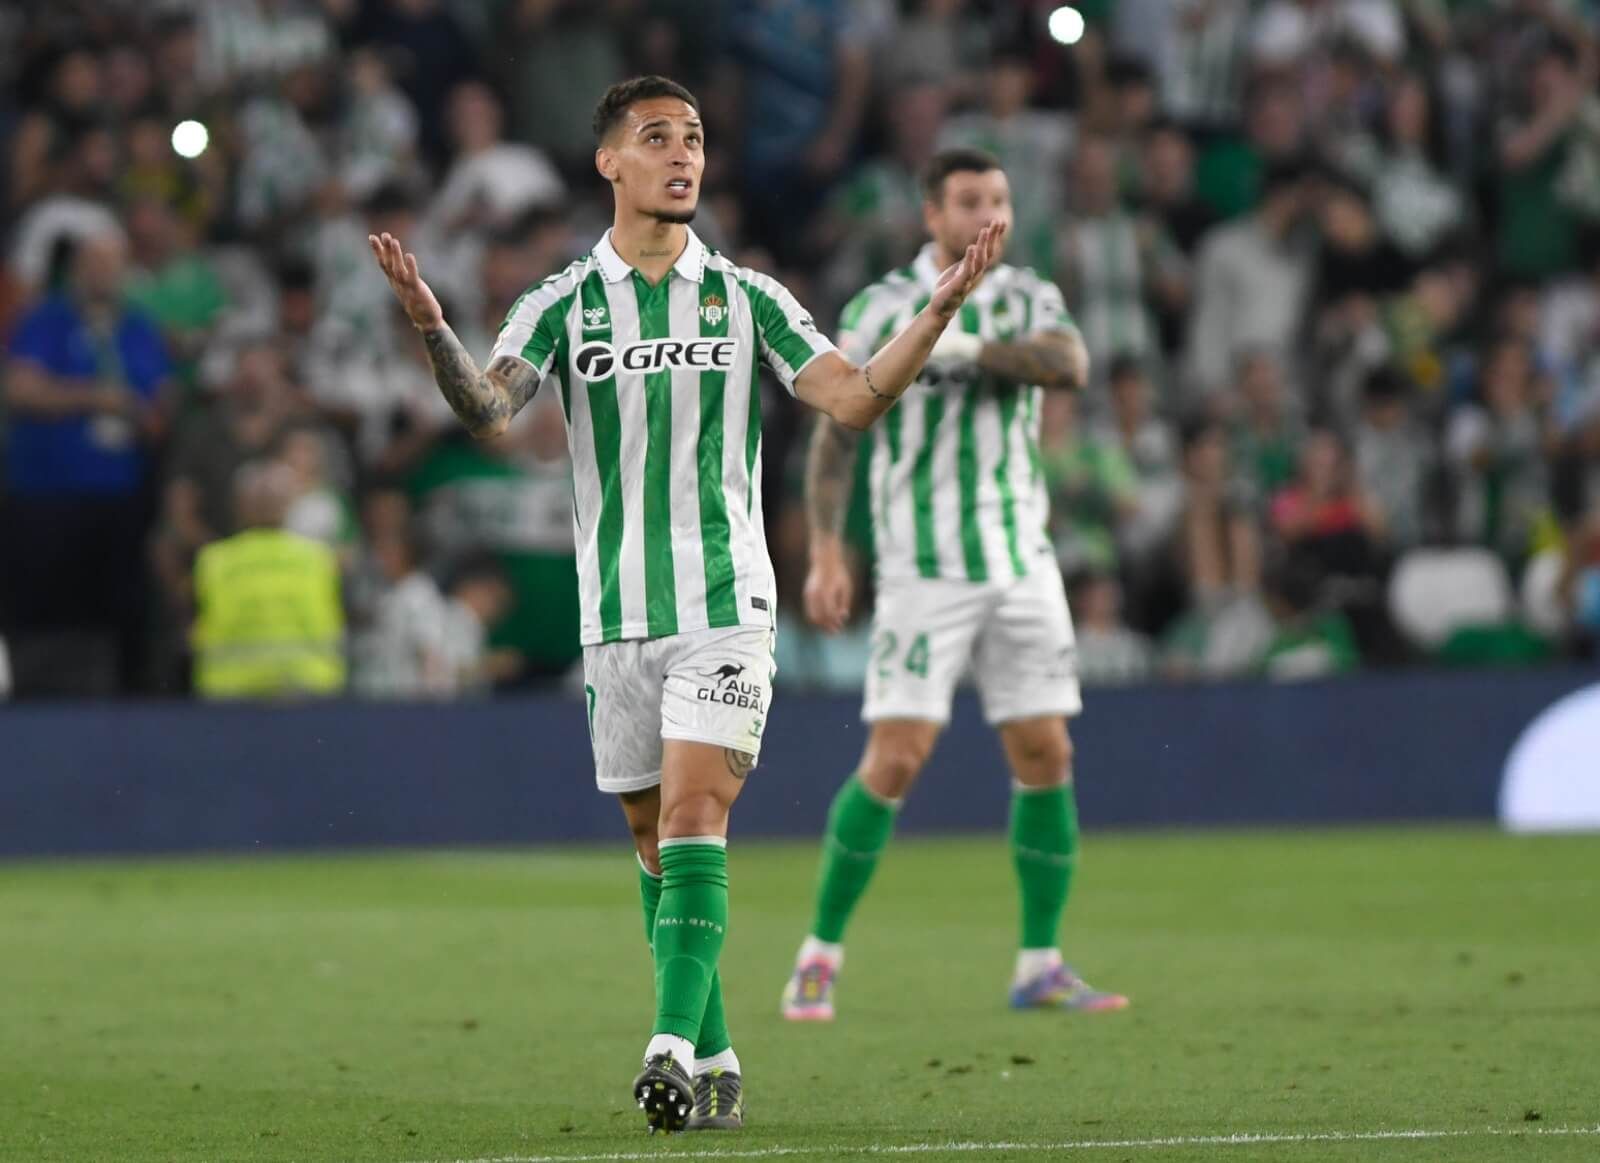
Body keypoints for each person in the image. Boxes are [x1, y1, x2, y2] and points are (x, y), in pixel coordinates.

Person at [365, 76, 1005, 1134]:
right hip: (612, 612)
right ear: (608, 162)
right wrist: (433, 326)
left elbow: (851, 394)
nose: (682, 154)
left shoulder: (748, 297)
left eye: (696, 137)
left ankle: (664, 1041)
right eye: (655, 136)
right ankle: (713, 1052)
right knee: (654, 841)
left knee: (698, 813)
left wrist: (936, 310)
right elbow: (487, 407)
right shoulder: (564, 299)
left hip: (724, 598)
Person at [781, 148, 1127, 1025]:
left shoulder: (1026, 297)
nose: (989, 216)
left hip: (1020, 559)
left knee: (1047, 753)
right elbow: (837, 429)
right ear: (930, 215)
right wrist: (826, 547)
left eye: (1002, 199)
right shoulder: (880, 307)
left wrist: (964, 337)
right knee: (896, 757)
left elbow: (1071, 362)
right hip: (922, 565)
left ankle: (1041, 962)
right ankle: (818, 954)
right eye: (971, 200)